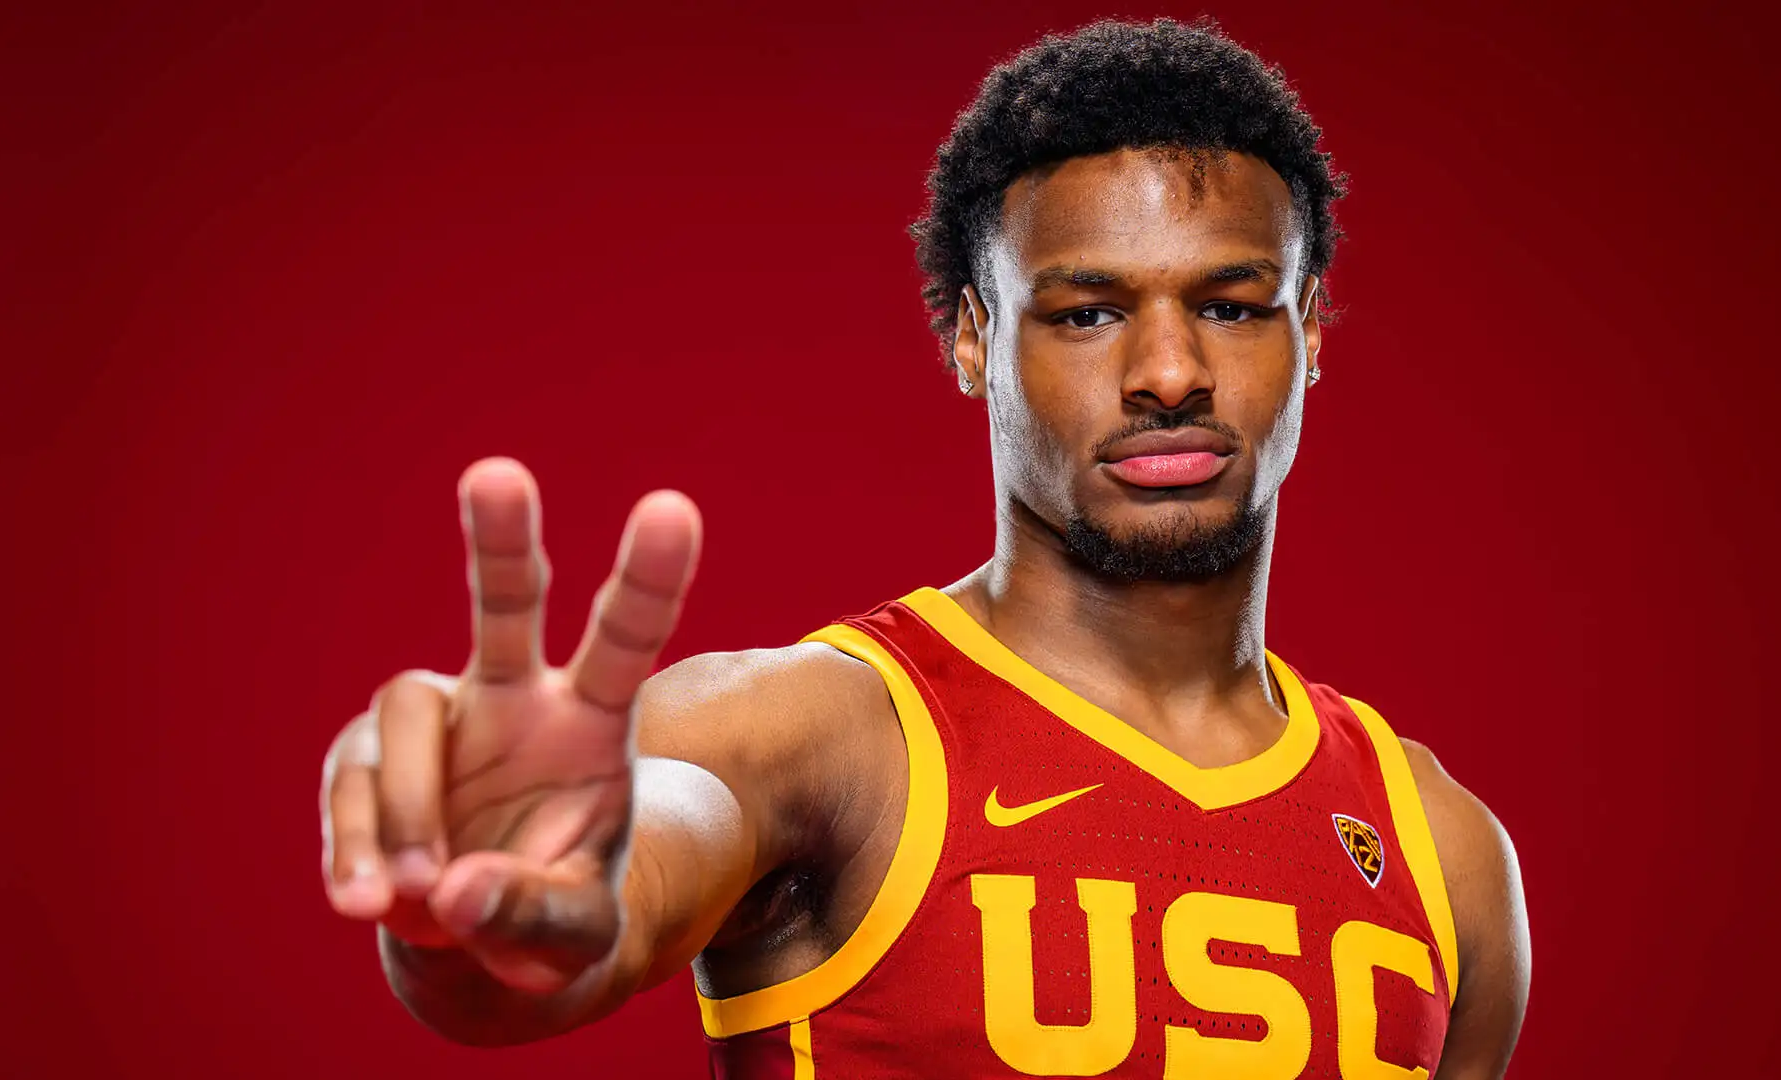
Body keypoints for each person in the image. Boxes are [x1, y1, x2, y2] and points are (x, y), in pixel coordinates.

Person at [318, 16, 1530, 1078]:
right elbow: (580, 912)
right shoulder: (829, 734)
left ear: (1310, 327)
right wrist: (505, 895)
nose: (1170, 374)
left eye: (1229, 305)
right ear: (972, 338)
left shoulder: (1442, 853)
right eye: (1087, 313)